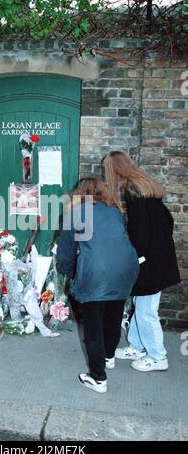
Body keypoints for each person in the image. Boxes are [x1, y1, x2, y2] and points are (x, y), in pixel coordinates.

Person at [57, 178, 139, 393]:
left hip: (96, 272)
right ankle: (108, 357)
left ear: (79, 193)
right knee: (113, 315)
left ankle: (98, 378)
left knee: (92, 326)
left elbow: (65, 250)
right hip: (125, 269)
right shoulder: (114, 212)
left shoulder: (76, 212)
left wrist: (71, 272)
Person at [104, 151, 181, 372]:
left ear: (116, 170)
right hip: (158, 257)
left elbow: (138, 232)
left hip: (149, 262)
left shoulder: (133, 191)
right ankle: (137, 346)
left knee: (147, 310)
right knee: (141, 305)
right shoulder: (145, 186)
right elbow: (168, 221)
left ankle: (158, 357)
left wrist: (136, 258)